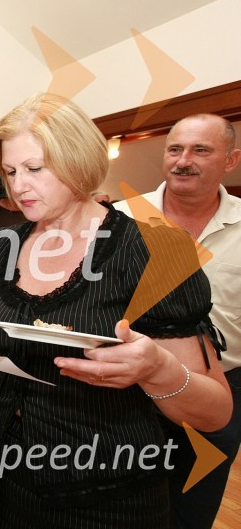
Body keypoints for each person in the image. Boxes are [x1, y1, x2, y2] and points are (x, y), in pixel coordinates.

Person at [0, 93, 232, 528]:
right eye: (11, 172)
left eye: (35, 169)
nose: (19, 186)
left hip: (108, 495)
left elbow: (215, 412)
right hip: (1, 479)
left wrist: (158, 370)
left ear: (78, 161)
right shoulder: (1, 248)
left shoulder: (153, 251)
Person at [114, 113, 241, 529]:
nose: (183, 161)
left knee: (192, 510)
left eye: (200, 150)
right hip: (130, 392)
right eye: (175, 149)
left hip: (223, 390)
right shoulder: (118, 219)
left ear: (231, 160)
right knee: (124, 509)